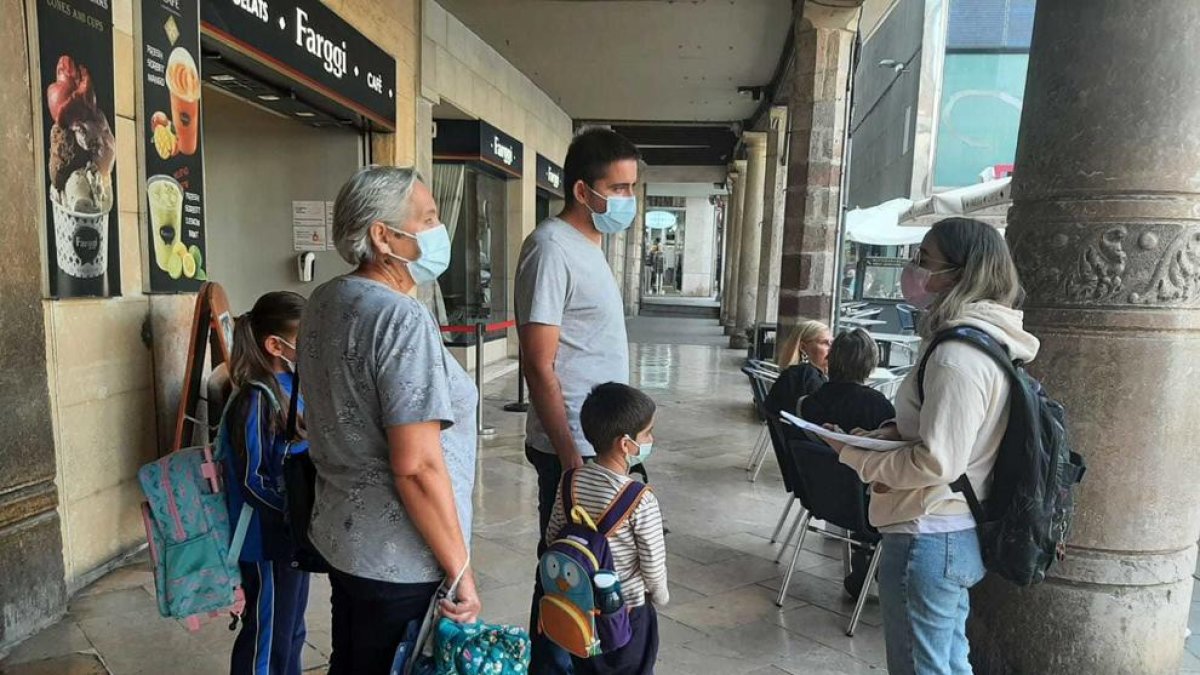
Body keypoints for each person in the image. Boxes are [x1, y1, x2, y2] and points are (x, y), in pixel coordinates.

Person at [824, 218, 1034, 675]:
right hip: (947, 531)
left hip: (929, 532)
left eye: (924, 260)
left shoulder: (958, 357)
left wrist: (852, 453)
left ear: (960, 273)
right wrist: (887, 435)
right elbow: (946, 435)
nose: (913, 269)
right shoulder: (981, 344)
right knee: (946, 663)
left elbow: (937, 461)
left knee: (923, 667)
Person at [300, 166, 480, 675]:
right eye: (427, 219)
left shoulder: (327, 299)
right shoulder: (400, 317)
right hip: (402, 554)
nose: (438, 231)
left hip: (344, 538)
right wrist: (460, 569)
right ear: (383, 235)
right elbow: (418, 466)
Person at [516, 127, 640, 674]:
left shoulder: (590, 245)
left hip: (607, 447)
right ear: (582, 189)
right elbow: (537, 361)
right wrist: (570, 453)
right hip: (576, 452)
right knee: (568, 578)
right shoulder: (549, 248)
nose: (627, 200)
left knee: (604, 575)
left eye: (632, 188)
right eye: (618, 188)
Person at [545, 383, 667, 675]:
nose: (651, 439)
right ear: (626, 444)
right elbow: (652, 563)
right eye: (647, 433)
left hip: (581, 609)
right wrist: (661, 595)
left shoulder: (569, 482)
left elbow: (552, 537)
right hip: (628, 612)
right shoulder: (640, 500)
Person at [220, 291, 309, 675]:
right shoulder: (256, 398)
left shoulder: (294, 383)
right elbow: (251, 479)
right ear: (276, 344)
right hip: (266, 539)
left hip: (296, 535)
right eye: (308, 339)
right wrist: (291, 516)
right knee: (268, 633)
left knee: (291, 629)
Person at [798, 328, 895, 601]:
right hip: (864, 506)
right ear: (870, 364)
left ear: (831, 359)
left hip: (818, 496)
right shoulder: (878, 407)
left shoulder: (809, 403)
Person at [763, 319, 831, 418]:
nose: (831, 348)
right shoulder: (807, 377)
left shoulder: (791, 374)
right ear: (803, 347)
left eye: (832, 343)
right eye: (825, 343)